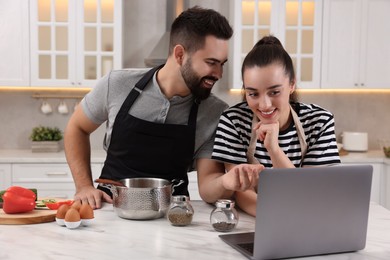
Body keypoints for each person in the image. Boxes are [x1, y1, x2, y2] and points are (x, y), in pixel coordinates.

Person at [64, 6, 262, 209]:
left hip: (172, 216)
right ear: (179, 55)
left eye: (222, 64)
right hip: (110, 209)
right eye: (211, 63)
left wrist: (228, 181)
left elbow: (208, 185)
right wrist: (84, 186)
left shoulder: (214, 112)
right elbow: (76, 128)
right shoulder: (116, 84)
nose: (219, 74)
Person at [211, 35, 341, 216]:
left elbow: (311, 191)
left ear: (292, 84)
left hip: (308, 219)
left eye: (274, 92)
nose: (264, 105)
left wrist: (274, 149)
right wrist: (275, 217)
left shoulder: (319, 121)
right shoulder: (233, 121)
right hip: (258, 219)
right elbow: (241, 191)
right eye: (253, 94)